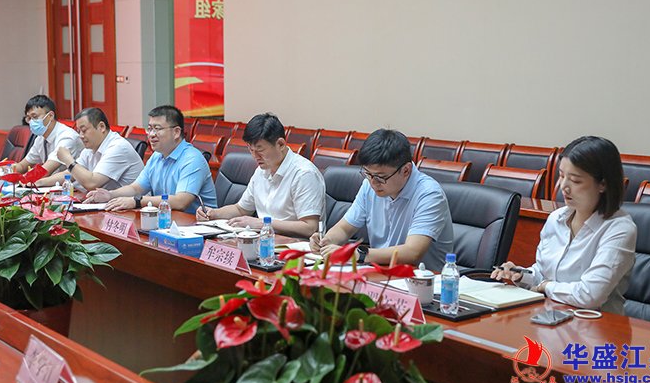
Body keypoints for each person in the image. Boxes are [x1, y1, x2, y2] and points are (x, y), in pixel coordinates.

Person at [491, 136, 637, 314]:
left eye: (575, 180)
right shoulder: (556, 218)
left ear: (603, 184)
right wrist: (521, 275)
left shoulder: (619, 229)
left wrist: (545, 286)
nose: (563, 186)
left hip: (596, 323)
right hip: (551, 315)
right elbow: (543, 272)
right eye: (561, 176)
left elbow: (590, 295)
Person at [310, 129, 453, 268]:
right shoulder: (369, 185)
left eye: (380, 177)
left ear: (406, 170)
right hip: (379, 271)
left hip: (421, 278)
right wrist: (327, 241)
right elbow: (344, 228)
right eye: (368, 174)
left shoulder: (429, 194)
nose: (373, 182)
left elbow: (412, 252)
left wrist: (358, 254)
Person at [196, 113, 325, 238]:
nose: (255, 156)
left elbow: (309, 227)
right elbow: (241, 209)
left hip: (295, 247)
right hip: (265, 240)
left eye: (260, 150)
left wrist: (262, 223)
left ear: (280, 144)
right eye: (251, 150)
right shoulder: (261, 170)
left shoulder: (304, 174)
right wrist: (213, 213)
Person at [84, 105, 217, 213]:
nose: (151, 135)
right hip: (167, 220)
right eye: (149, 129)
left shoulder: (192, 159)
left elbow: (181, 201)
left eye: (157, 129)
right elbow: (136, 188)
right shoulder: (157, 156)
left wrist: (137, 201)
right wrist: (110, 195)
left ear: (176, 132)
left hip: (197, 226)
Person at [35, 107, 144, 191]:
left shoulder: (118, 147)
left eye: (84, 130)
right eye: (79, 131)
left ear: (101, 127)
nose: (81, 136)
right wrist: (39, 182)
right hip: (106, 203)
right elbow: (70, 174)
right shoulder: (90, 148)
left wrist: (68, 159)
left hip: (131, 207)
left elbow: (92, 183)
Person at [0, 95, 83, 175]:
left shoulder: (67, 137)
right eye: (29, 118)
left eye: (35, 117)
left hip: (74, 188)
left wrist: (25, 178)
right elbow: (22, 166)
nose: (31, 122)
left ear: (50, 116)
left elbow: (44, 171)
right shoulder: (40, 138)